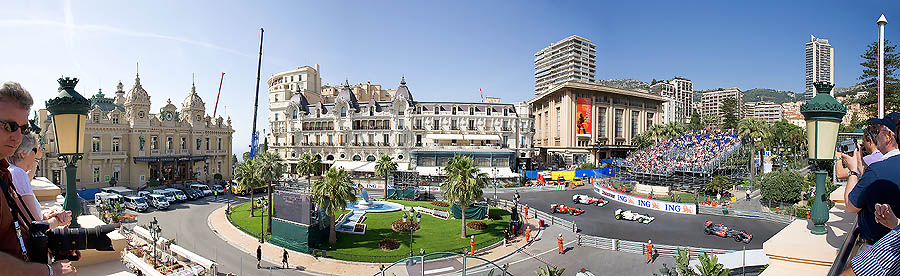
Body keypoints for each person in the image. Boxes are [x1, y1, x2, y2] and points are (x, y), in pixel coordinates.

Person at [0, 82, 76, 275]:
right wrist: (48, 272)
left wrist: (53, 241)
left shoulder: (5, 172)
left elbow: (13, 228)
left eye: (23, 129)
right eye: (10, 126)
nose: (17, 137)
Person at [841, 112, 900, 244]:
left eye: (879, 131)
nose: (877, 135)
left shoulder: (877, 170)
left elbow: (850, 206)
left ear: (889, 136)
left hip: (880, 250)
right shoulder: (877, 171)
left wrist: (852, 171)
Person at [8, 134, 70, 228]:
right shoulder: (18, 173)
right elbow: (36, 225)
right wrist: (58, 221)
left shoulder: (11, 171)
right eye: (35, 150)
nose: (36, 155)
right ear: (23, 153)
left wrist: (48, 215)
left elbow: (25, 214)